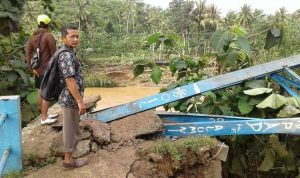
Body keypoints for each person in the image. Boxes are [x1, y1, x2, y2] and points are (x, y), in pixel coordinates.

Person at [58, 25, 88, 168]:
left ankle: (69, 158)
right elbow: (69, 80)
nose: (76, 39)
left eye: (77, 36)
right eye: (72, 36)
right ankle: (68, 161)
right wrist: (80, 101)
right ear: (63, 38)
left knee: (72, 128)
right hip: (70, 99)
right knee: (71, 129)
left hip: (71, 98)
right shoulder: (66, 55)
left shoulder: (69, 52)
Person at [25, 14, 58, 125]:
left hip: (37, 71)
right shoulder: (49, 36)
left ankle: (44, 114)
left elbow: (28, 54)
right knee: (46, 93)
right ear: (48, 24)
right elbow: (54, 54)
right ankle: (44, 118)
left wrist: (31, 67)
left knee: (40, 92)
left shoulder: (32, 38)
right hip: (47, 70)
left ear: (38, 24)